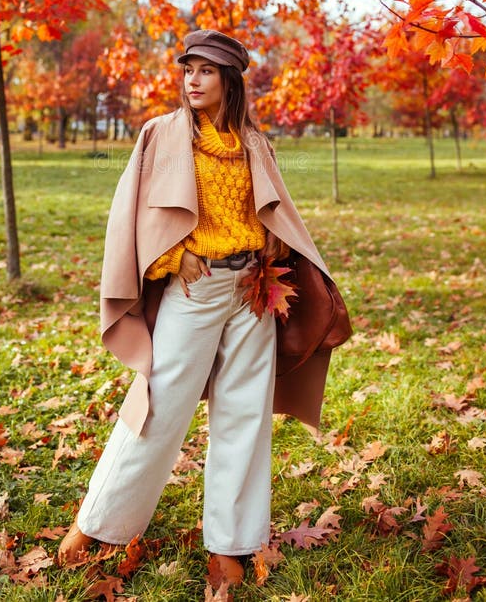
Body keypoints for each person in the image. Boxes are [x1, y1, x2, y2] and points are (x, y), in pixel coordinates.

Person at [58, 29, 351, 585]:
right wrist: (172, 256)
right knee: (160, 403)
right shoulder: (162, 135)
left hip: (250, 291)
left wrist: (271, 248)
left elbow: (272, 212)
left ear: (229, 79)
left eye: (206, 71)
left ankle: (230, 545)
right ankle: (99, 524)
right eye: (187, 69)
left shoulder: (253, 142)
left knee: (245, 412)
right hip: (193, 290)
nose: (192, 80)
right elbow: (133, 211)